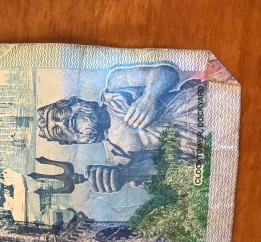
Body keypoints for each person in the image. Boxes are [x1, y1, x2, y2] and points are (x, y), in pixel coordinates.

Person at [36, 64, 206, 193]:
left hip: (204, 106)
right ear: (71, 141)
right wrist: (125, 174)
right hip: (204, 148)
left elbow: (167, 73)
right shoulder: (118, 162)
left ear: (74, 102)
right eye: (58, 131)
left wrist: (150, 97)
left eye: (60, 114)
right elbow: (171, 170)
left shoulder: (116, 85)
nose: (64, 123)